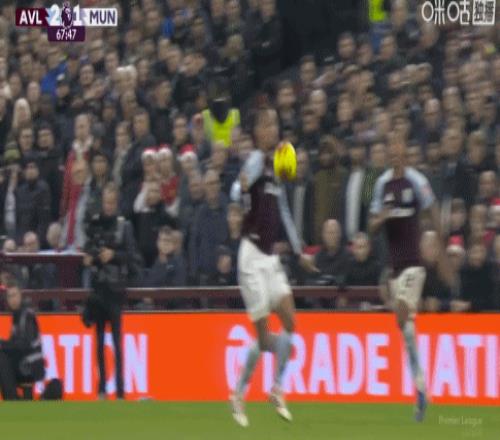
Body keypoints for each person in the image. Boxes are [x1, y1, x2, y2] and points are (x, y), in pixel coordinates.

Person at [229, 107, 318, 427]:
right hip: (251, 257)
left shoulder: (276, 167)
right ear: (257, 132)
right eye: (266, 124)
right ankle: (239, 394)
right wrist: (241, 189)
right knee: (266, 338)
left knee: (291, 320)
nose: (272, 129)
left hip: (269, 257)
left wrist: (299, 251)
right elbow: (236, 190)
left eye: (275, 123)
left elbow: (284, 213)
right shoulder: (256, 160)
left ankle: (277, 388)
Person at [369, 140, 454, 422]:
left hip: (414, 266)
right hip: (394, 269)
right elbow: (371, 225)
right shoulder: (381, 185)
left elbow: (433, 209)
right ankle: (420, 387)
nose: (395, 156)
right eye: (390, 152)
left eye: (399, 152)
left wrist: (442, 249)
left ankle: (420, 386)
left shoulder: (417, 181)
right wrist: (381, 218)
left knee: (402, 313)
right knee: (406, 332)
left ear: (405, 154)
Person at [82, 183, 140, 400]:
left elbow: (131, 256)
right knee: (98, 342)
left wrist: (113, 255)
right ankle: (101, 389)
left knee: (117, 342)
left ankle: (120, 390)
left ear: (117, 203)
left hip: (115, 290)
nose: (109, 206)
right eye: (106, 202)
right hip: (98, 288)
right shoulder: (95, 223)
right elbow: (88, 247)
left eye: (112, 202)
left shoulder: (124, 226)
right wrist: (89, 257)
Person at [0, 279, 45, 400]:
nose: (12, 299)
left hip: (31, 363)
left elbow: (25, 344)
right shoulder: (17, 315)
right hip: (23, 361)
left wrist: (2, 344)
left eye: (14, 295)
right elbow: (15, 344)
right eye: (9, 296)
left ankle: (12, 398)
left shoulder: (27, 315)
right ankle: (12, 397)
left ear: (20, 295)